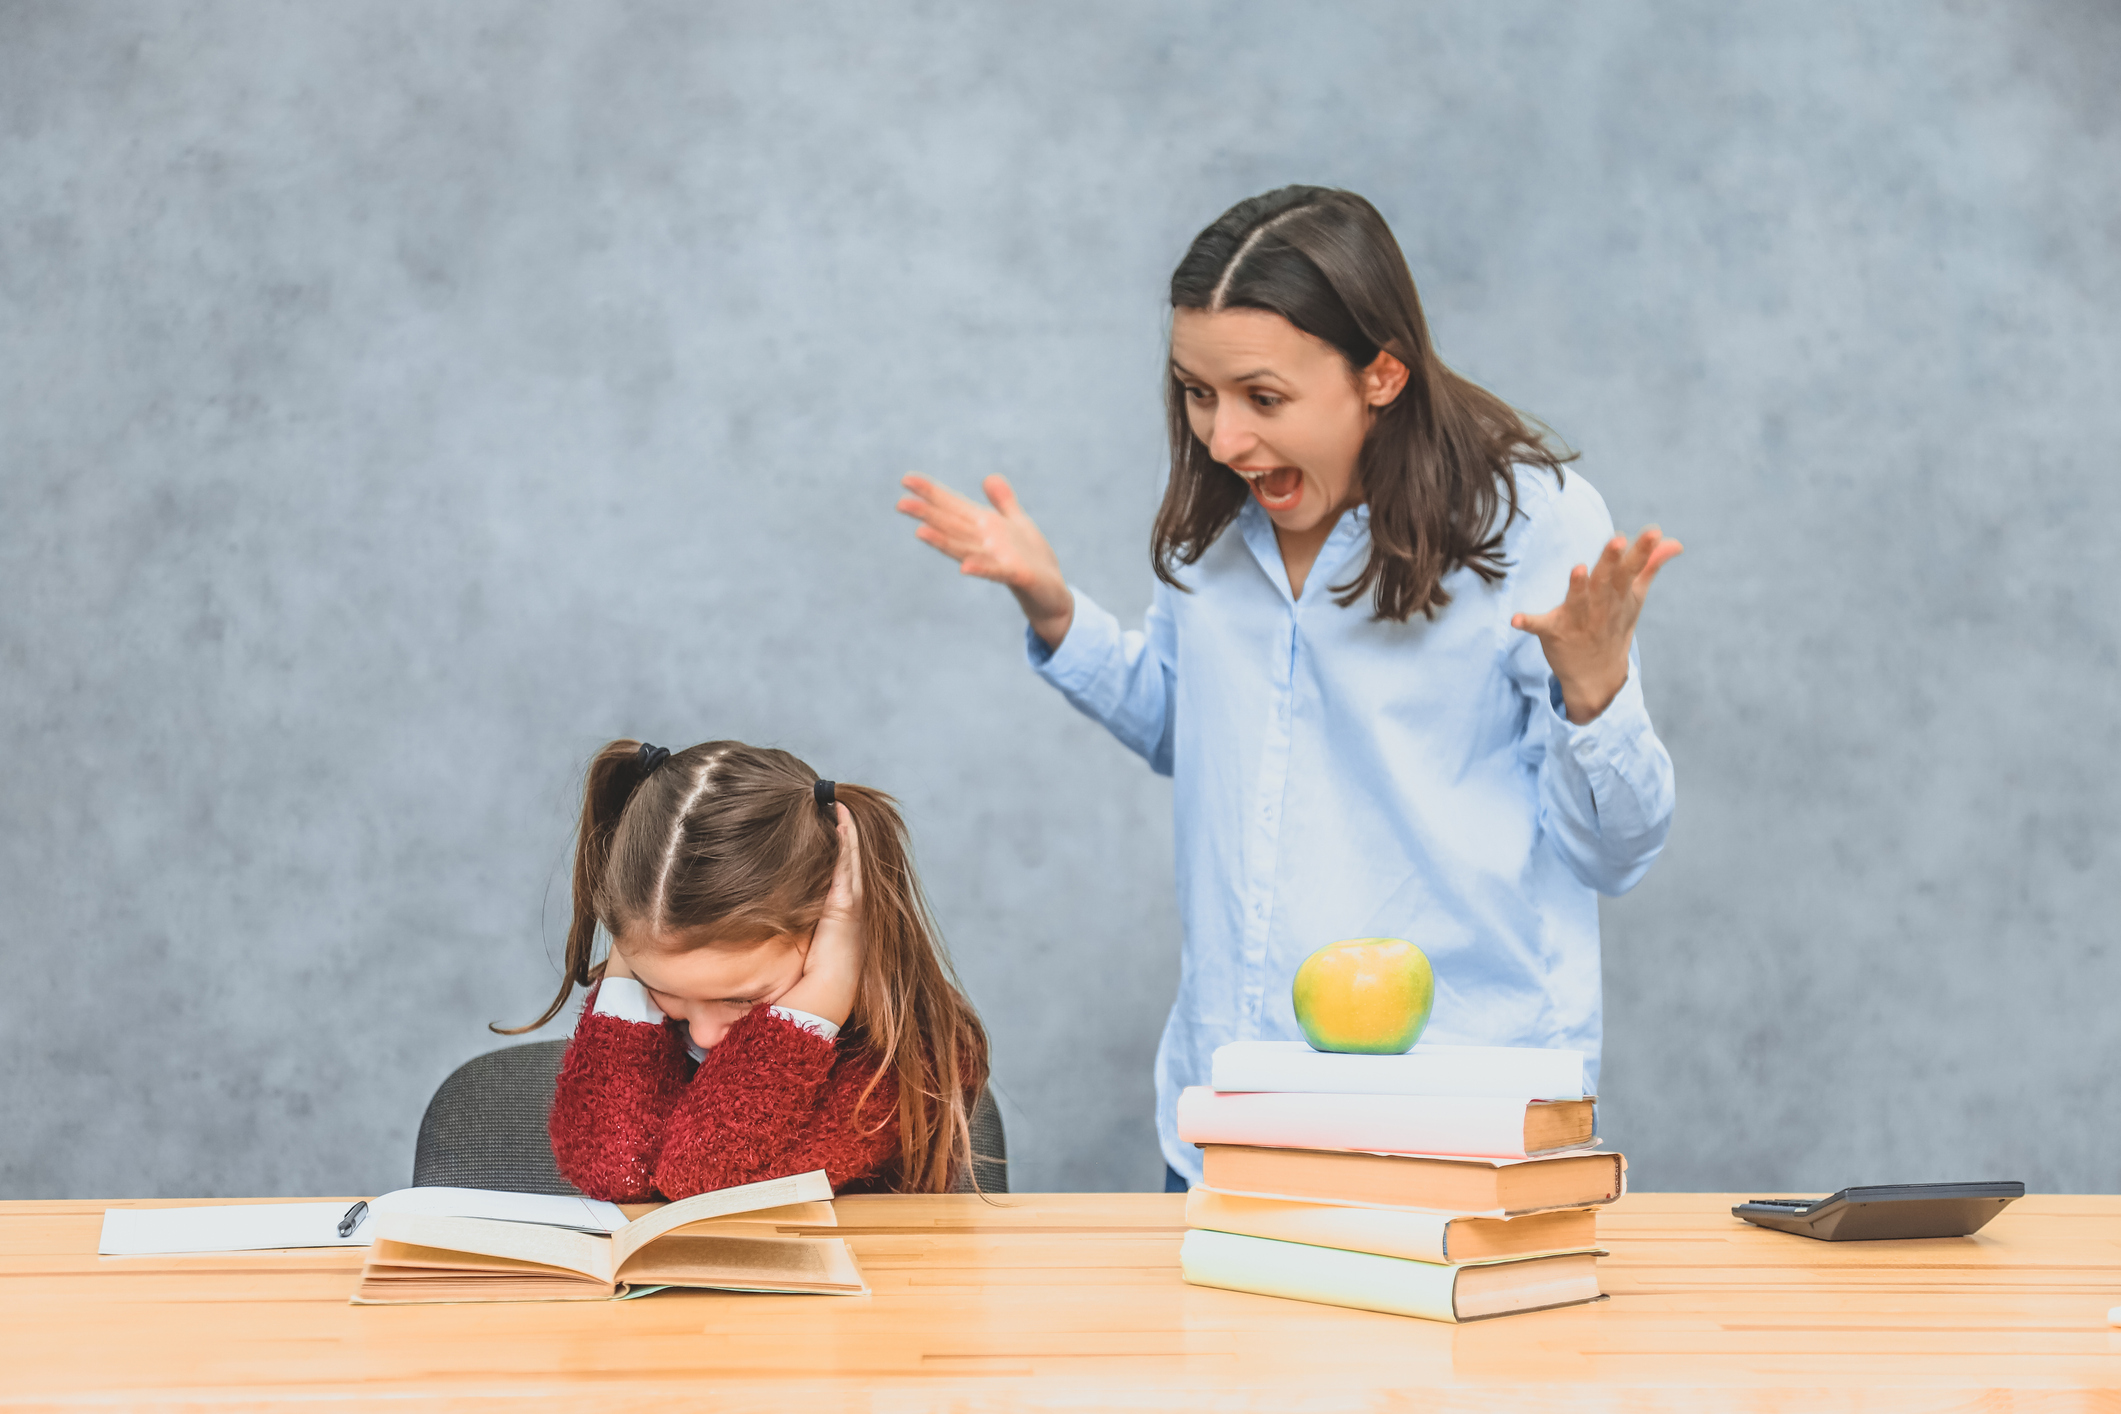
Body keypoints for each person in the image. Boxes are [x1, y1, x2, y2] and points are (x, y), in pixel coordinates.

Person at [897, 186, 1680, 1190]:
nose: (1223, 439)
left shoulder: (1532, 529)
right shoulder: (1218, 530)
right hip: (1234, 1111)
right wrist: (1056, 610)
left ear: (1381, 374)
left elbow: (1615, 852)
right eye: (1197, 392)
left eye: (1263, 398)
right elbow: (1201, 734)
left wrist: (1597, 692)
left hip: (1459, 1121)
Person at [503, 739, 989, 1199]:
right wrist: (632, 955)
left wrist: (822, 996)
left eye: (740, 1000)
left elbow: (705, 1182)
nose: (706, 1033)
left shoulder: (908, 1055)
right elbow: (611, 1170)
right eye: (659, 988)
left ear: (828, 937)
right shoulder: (654, 993)